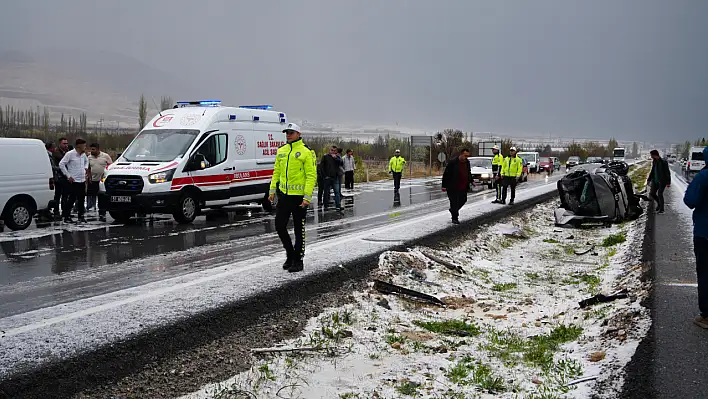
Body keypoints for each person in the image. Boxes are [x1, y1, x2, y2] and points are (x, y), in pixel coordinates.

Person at [268, 123, 316, 273]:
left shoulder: (306, 152)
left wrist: (307, 197)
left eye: (291, 132)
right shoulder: (282, 151)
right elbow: (276, 172)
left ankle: (298, 259)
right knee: (279, 226)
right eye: (286, 132)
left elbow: (311, 175)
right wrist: (272, 190)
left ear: (298, 133)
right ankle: (290, 253)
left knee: (298, 229)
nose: (288, 135)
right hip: (284, 196)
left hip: (299, 199)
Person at [684, 146, 708, 329]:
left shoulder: (703, 177)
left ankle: (706, 316)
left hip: (704, 233)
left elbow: (690, 200)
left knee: (705, 272)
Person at [59, 139, 89, 223]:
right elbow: (61, 164)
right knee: (71, 199)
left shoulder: (83, 155)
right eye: (84, 145)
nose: (85, 147)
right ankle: (66, 216)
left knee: (81, 199)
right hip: (73, 180)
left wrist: (85, 168)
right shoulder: (70, 154)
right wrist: (68, 176)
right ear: (78, 146)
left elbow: (87, 161)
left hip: (82, 180)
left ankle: (81, 216)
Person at [441, 148, 474, 224]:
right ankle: (455, 218)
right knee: (454, 202)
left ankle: (453, 210)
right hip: (453, 186)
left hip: (463, 186)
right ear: (461, 154)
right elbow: (446, 174)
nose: (466, 157)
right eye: (465, 155)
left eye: (467, 156)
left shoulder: (467, 163)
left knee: (463, 199)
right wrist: (444, 186)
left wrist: (471, 181)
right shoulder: (453, 162)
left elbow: (468, 173)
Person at [87, 143, 113, 222]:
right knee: (91, 195)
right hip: (93, 180)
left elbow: (111, 166)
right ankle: (91, 208)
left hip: (103, 181)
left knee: (102, 196)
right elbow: (88, 168)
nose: (91, 151)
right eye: (91, 149)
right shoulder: (89, 157)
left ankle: (102, 212)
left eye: (93, 149)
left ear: (98, 149)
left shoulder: (105, 156)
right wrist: (89, 177)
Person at [52, 137, 70, 219]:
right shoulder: (56, 152)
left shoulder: (67, 152)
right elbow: (63, 162)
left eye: (67, 143)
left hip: (66, 176)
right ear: (60, 144)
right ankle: (56, 211)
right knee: (58, 195)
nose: (66, 145)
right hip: (59, 177)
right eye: (64, 143)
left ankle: (64, 211)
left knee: (65, 195)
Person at [647, 149, 671, 214]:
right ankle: (659, 204)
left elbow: (667, 172)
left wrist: (668, 182)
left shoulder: (663, 162)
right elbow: (652, 171)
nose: (651, 156)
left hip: (662, 181)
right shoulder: (654, 161)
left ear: (655, 155)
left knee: (660, 194)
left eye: (651, 155)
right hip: (655, 180)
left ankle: (662, 209)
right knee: (652, 193)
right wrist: (649, 180)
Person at [321, 145, 343, 211]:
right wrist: (324, 176)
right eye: (332, 150)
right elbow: (321, 167)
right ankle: (326, 206)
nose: (333, 152)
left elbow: (341, 163)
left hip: (335, 177)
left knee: (337, 192)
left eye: (334, 150)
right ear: (329, 150)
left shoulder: (337, 157)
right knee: (326, 192)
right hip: (327, 177)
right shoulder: (325, 157)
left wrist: (336, 158)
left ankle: (338, 206)